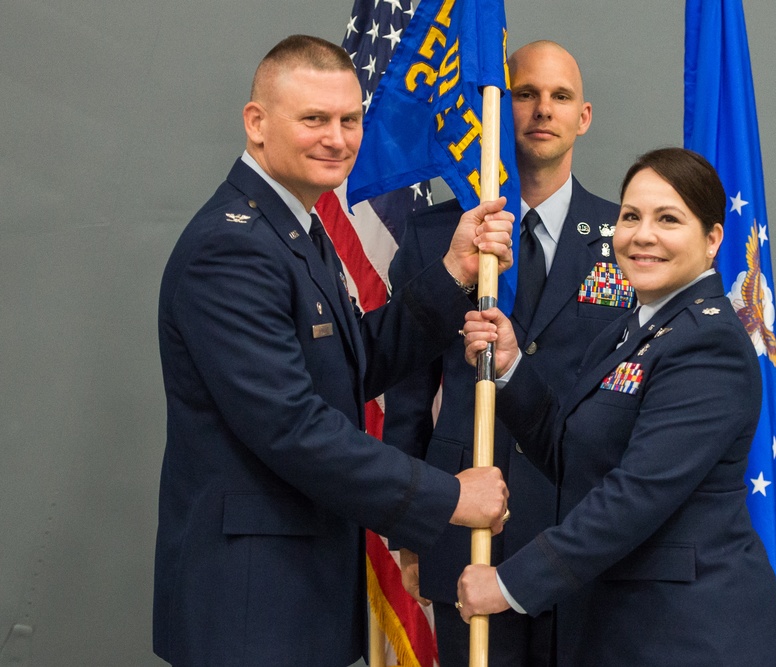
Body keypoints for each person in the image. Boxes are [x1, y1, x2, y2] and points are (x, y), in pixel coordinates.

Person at [153, 35, 513, 667]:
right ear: (256, 123)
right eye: (314, 119)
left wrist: (454, 271)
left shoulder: (294, 225)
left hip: (295, 589)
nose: (338, 138)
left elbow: (346, 370)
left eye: (350, 120)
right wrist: (448, 497)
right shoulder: (233, 248)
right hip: (251, 606)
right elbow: (293, 426)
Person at [457, 148, 776, 666]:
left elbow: (635, 494)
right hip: (624, 627)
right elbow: (578, 459)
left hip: (690, 636)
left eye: (668, 219)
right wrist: (509, 370)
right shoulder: (632, 329)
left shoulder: (709, 345)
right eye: (631, 216)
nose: (642, 235)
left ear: (712, 240)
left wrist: (509, 584)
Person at [382, 40, 630, 666]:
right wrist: (410, 529)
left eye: (560, 96)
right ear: (496, 110)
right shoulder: (439, 234)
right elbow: (410, 392)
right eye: (525, 94)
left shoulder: (628, 237)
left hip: (582, 526)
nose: (542, 110)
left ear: (585, 116)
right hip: (466, 529)